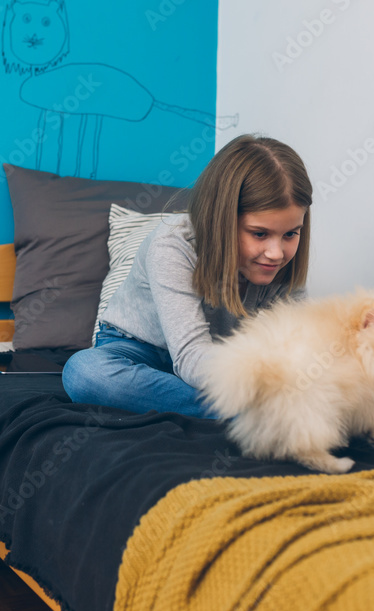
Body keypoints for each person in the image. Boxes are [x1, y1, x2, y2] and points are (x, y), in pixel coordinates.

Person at [62, 134, 312, 417]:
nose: (276, 253)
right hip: (141, 352)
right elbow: (191, 357)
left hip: (221, 362)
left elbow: (300, 348)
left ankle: (232, 409)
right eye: (260, 234)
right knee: (84, 373)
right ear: (221, 220)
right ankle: (246, 416)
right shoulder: (173, 243)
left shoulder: (282, 265)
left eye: (291, 233)